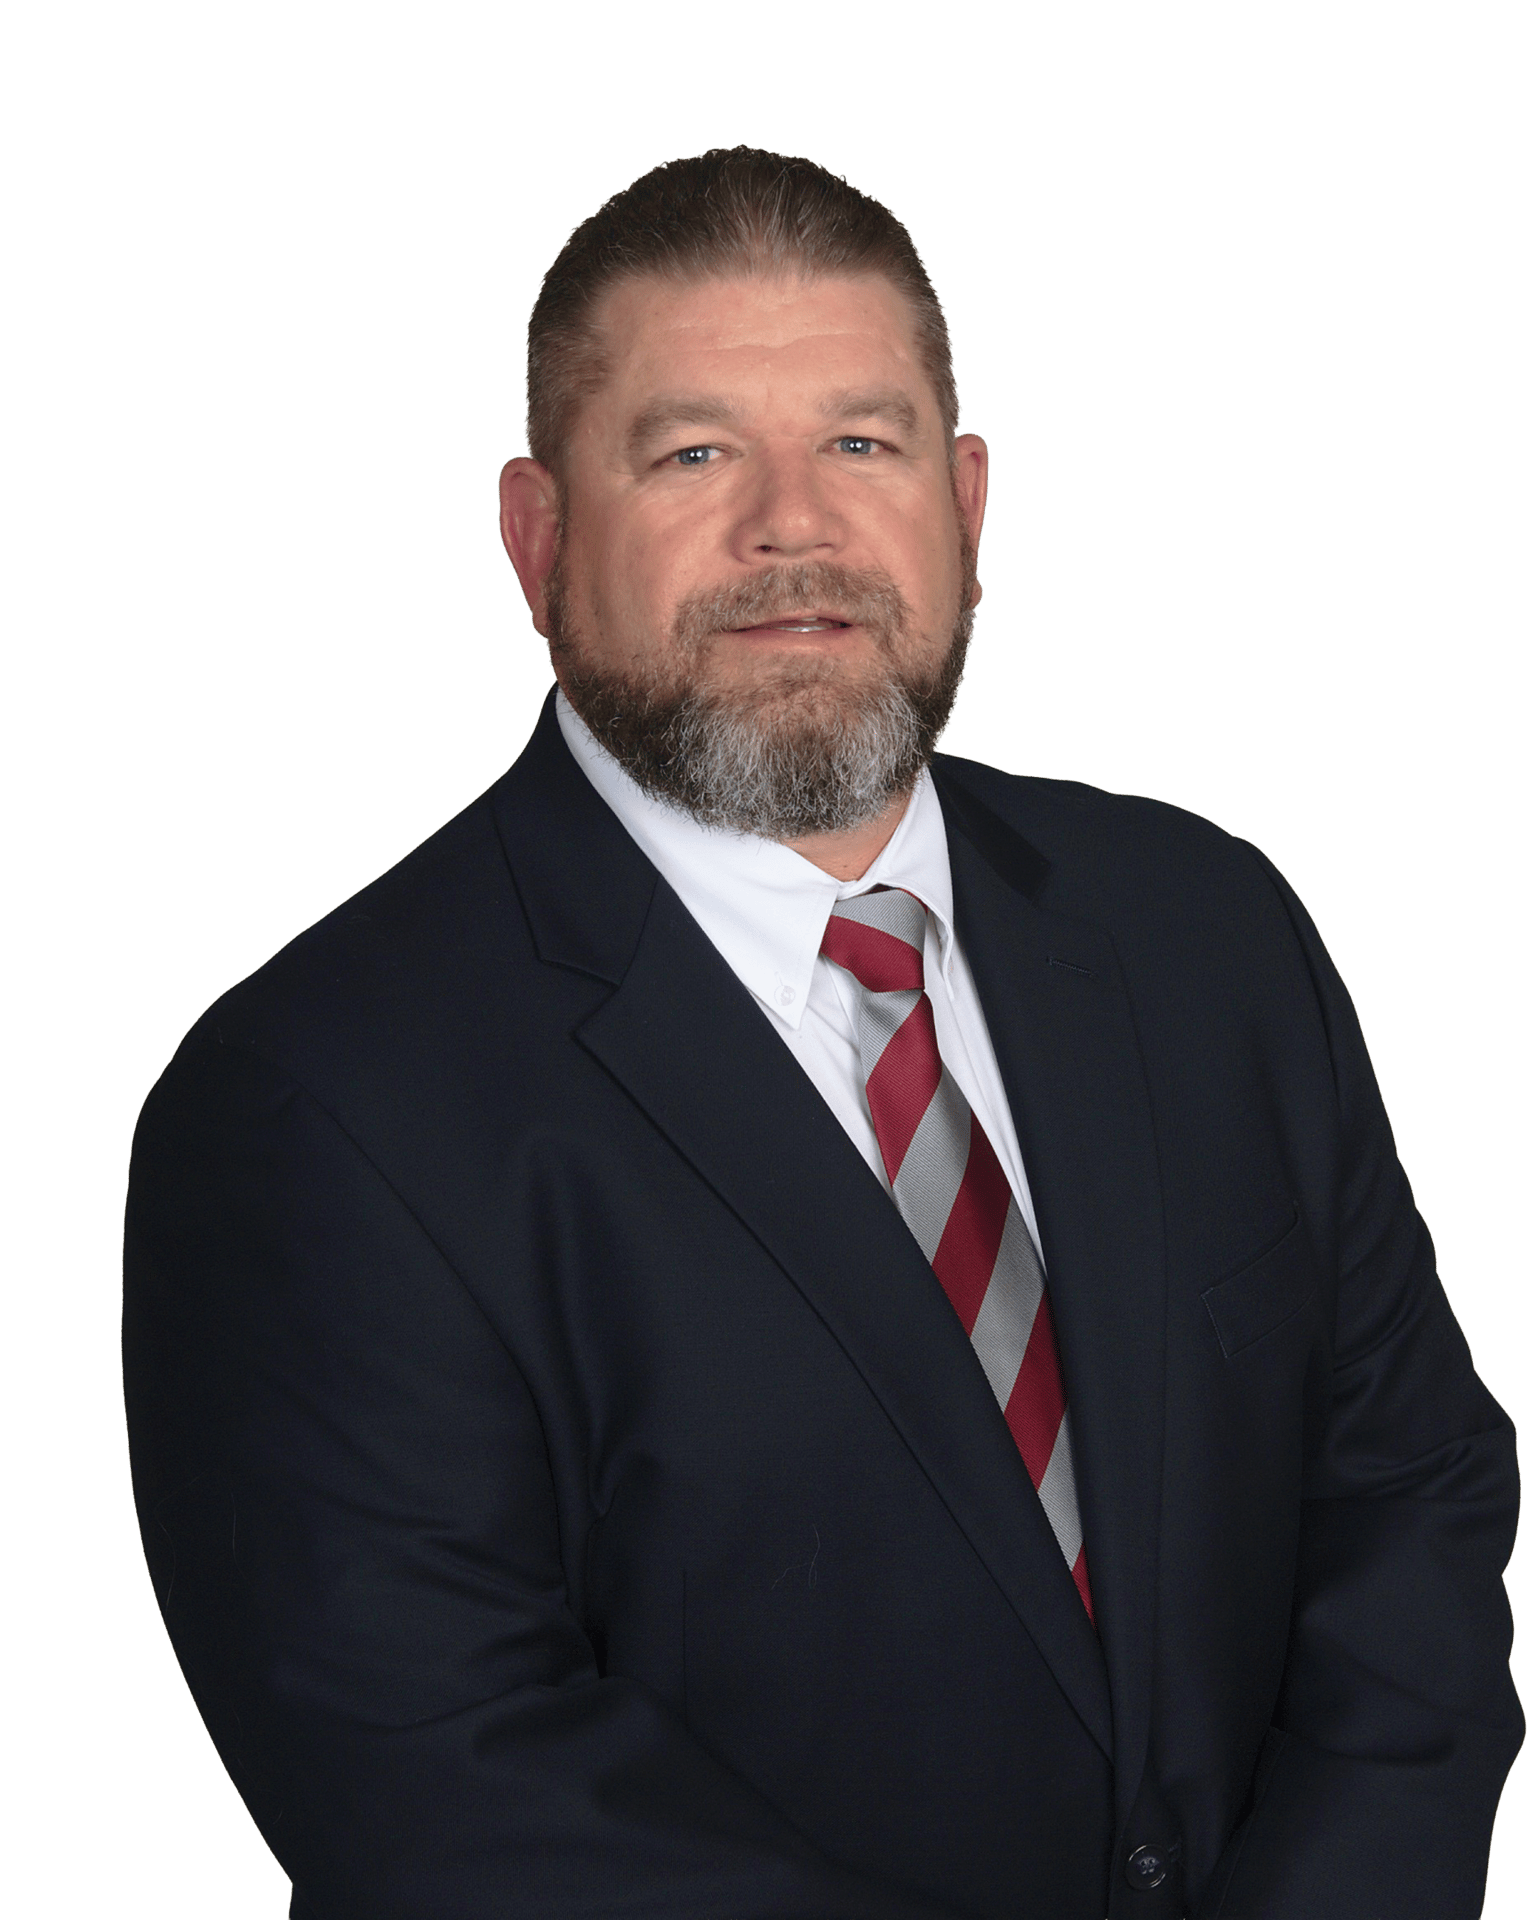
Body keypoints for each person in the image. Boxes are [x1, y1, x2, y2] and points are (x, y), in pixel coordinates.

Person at [122, 148, 1521, 1920]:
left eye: (863, 442)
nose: (794, 526)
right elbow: (452, 1795)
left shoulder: (1210, 929)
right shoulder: (312, 1105)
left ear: (968, 506)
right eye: (695, 455)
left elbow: (1407, 1498)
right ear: (539, 539)